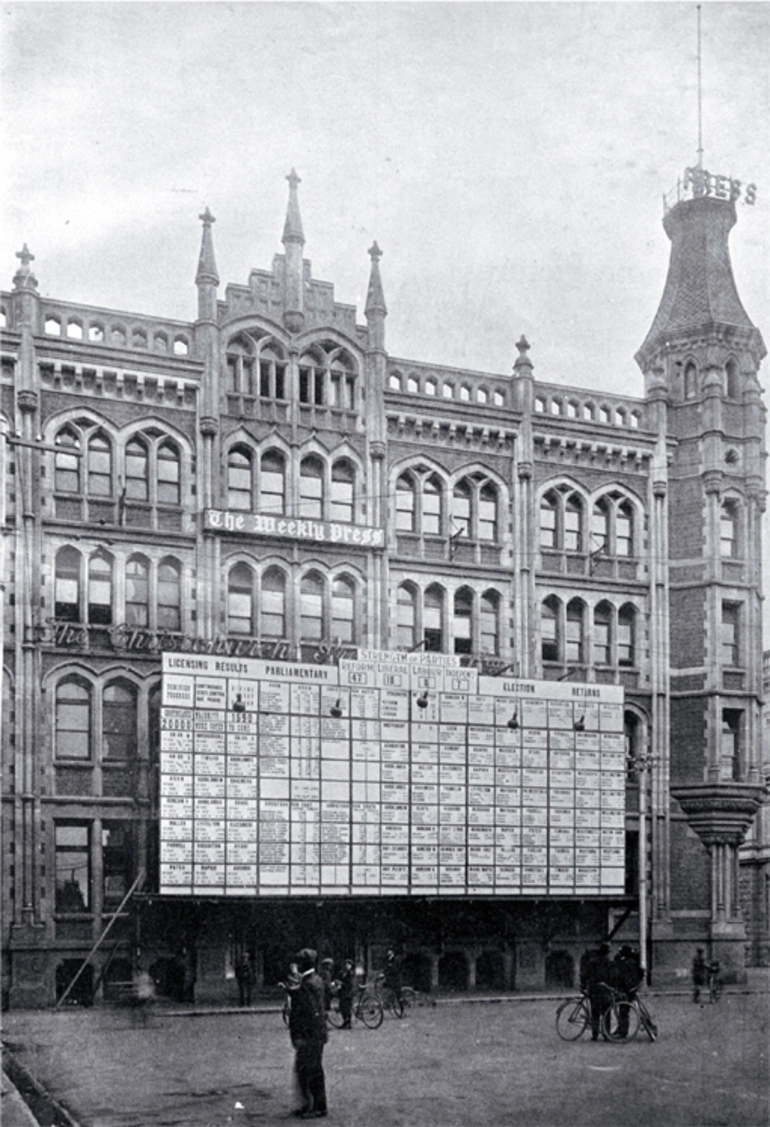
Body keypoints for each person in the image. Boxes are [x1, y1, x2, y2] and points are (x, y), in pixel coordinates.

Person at [288, 948, 328, 1120]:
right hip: (317, 1034)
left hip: (310, 1036)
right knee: (310, 1070)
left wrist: (300, 1037)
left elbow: (308, 1012)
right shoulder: (315, 980)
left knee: (310, 1070)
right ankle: (311, 1105)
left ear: (303, 965)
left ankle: (317, 1107)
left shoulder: (307, 984)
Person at [579, 942, 614, 1041]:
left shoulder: (592, 962)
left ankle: (595, 1035)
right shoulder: (608, 962)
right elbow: (611, 977)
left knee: (595, 1013)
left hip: (594, 990)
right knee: (606, 1013)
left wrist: (584, 986)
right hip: (604, 990)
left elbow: (586, 975)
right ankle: (606, 1034)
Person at [613, 945, 643, 1038]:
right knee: (622, 1010)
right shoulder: (632, 962)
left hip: (627, 990)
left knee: (623, 1011)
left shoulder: (626, 963)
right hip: (630, 989)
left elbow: (623, 978)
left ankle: (623, 1032)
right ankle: (620, 1029)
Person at [338, 958, 356, 1029]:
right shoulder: (344, 972)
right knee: (342, 1007)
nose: (347, 966)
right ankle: (345, 1022)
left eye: (348, 964)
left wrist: (341, 984)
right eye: (346, 964)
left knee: (347, 1008)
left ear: (351, 965)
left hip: (348, 993)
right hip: (344, 992)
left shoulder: (351, 973)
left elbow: (350, 984)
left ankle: (348, 1023)